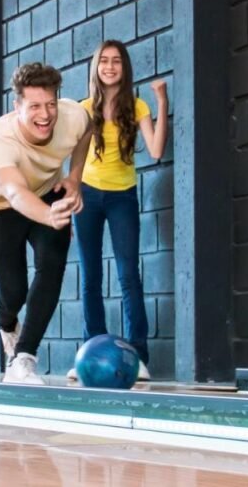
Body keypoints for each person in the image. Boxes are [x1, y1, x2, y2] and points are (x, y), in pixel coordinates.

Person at [0, 62, 93, 385]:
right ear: (17, 107)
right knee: (13, 293)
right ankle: (5, 321)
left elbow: (88, 131)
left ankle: (23, 358)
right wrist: (48, 216)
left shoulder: (71, 116)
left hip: (46, 193)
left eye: (51, 104)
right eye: (35, 107)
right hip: (0, 207)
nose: (46, 115)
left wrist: (74, 178)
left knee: (53, 263)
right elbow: (14, 193)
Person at [68, 40, 168, 382]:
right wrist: (67, 201)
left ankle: (138, 355)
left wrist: (161, 102)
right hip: (87, 197)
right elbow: (70, 161)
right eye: (104, 61)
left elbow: (155, 150)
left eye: (116, 62)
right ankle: (90, 353)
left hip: (122, 196)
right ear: (96, 67)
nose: (109, 66)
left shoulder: (136, 106)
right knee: (91, 278)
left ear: (124, 68)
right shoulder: (82, 110)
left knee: (128, 276)